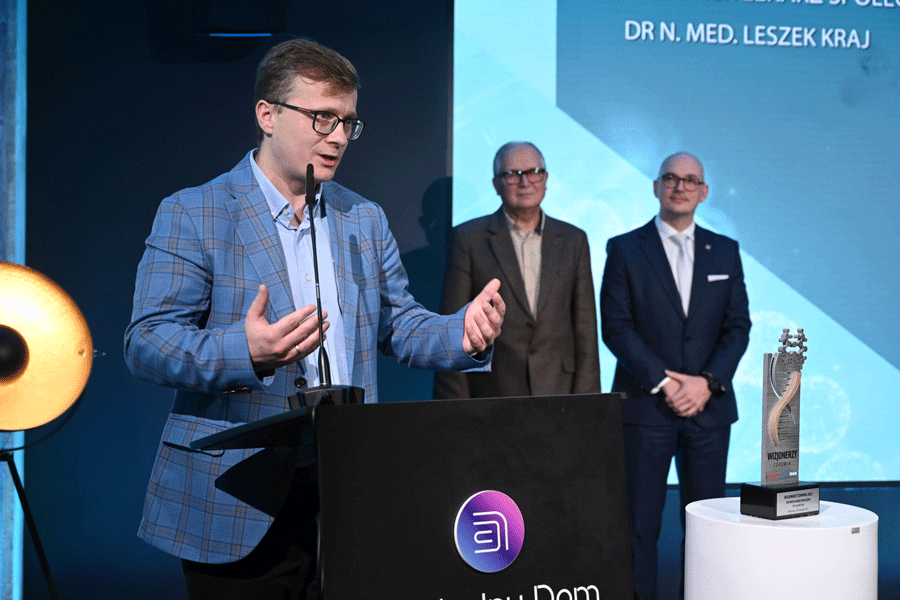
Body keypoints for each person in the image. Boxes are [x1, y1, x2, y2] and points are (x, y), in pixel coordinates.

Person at [123, 38, 505, 599]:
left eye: (348, 122)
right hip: (238, 496)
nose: (338, 137)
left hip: (345, 492)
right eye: (322, 118)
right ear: (267, 115)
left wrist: (462, 332)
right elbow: (146, 341)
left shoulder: (363, 218)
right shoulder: (195, 211)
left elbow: (398, 325)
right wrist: (245, 351)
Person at [599, 152, 750, 600]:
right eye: (670, 177)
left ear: (703, 193)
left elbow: (737, 327)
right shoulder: (625, 248)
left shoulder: (725, 250)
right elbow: (616, 327)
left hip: (709, 412)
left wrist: (706, 383)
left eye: (690, 180)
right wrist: (666, 383)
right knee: (638, 528)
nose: (679, 186)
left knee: (707, 531)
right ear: (656, 186)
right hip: (646, 410)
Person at [434, 141, 600, 399]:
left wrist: (588, 405)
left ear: (545, 179)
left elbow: (586, 330)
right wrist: (455, 412)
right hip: (493, 396)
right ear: (496, 184)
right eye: (512, 174)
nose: (525, 182)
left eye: (534, 172)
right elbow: (454, 330)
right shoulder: (469, 239)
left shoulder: (573, 240)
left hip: (560, 394)